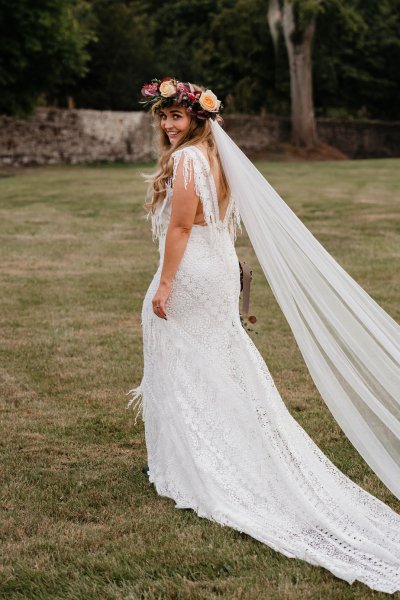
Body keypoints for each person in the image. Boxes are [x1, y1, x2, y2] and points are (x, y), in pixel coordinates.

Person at [127, 77, 400, 593]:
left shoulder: (188, 161)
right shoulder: (215, 156)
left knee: (187, 359)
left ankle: (198, 460)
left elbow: (183, 227)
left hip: (191, 274)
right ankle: (193, 447)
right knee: (214, 360)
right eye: (162, 117)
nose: (167, 125)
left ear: (198, 119)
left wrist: (164, 283)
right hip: (217, 268)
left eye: (176, 117)